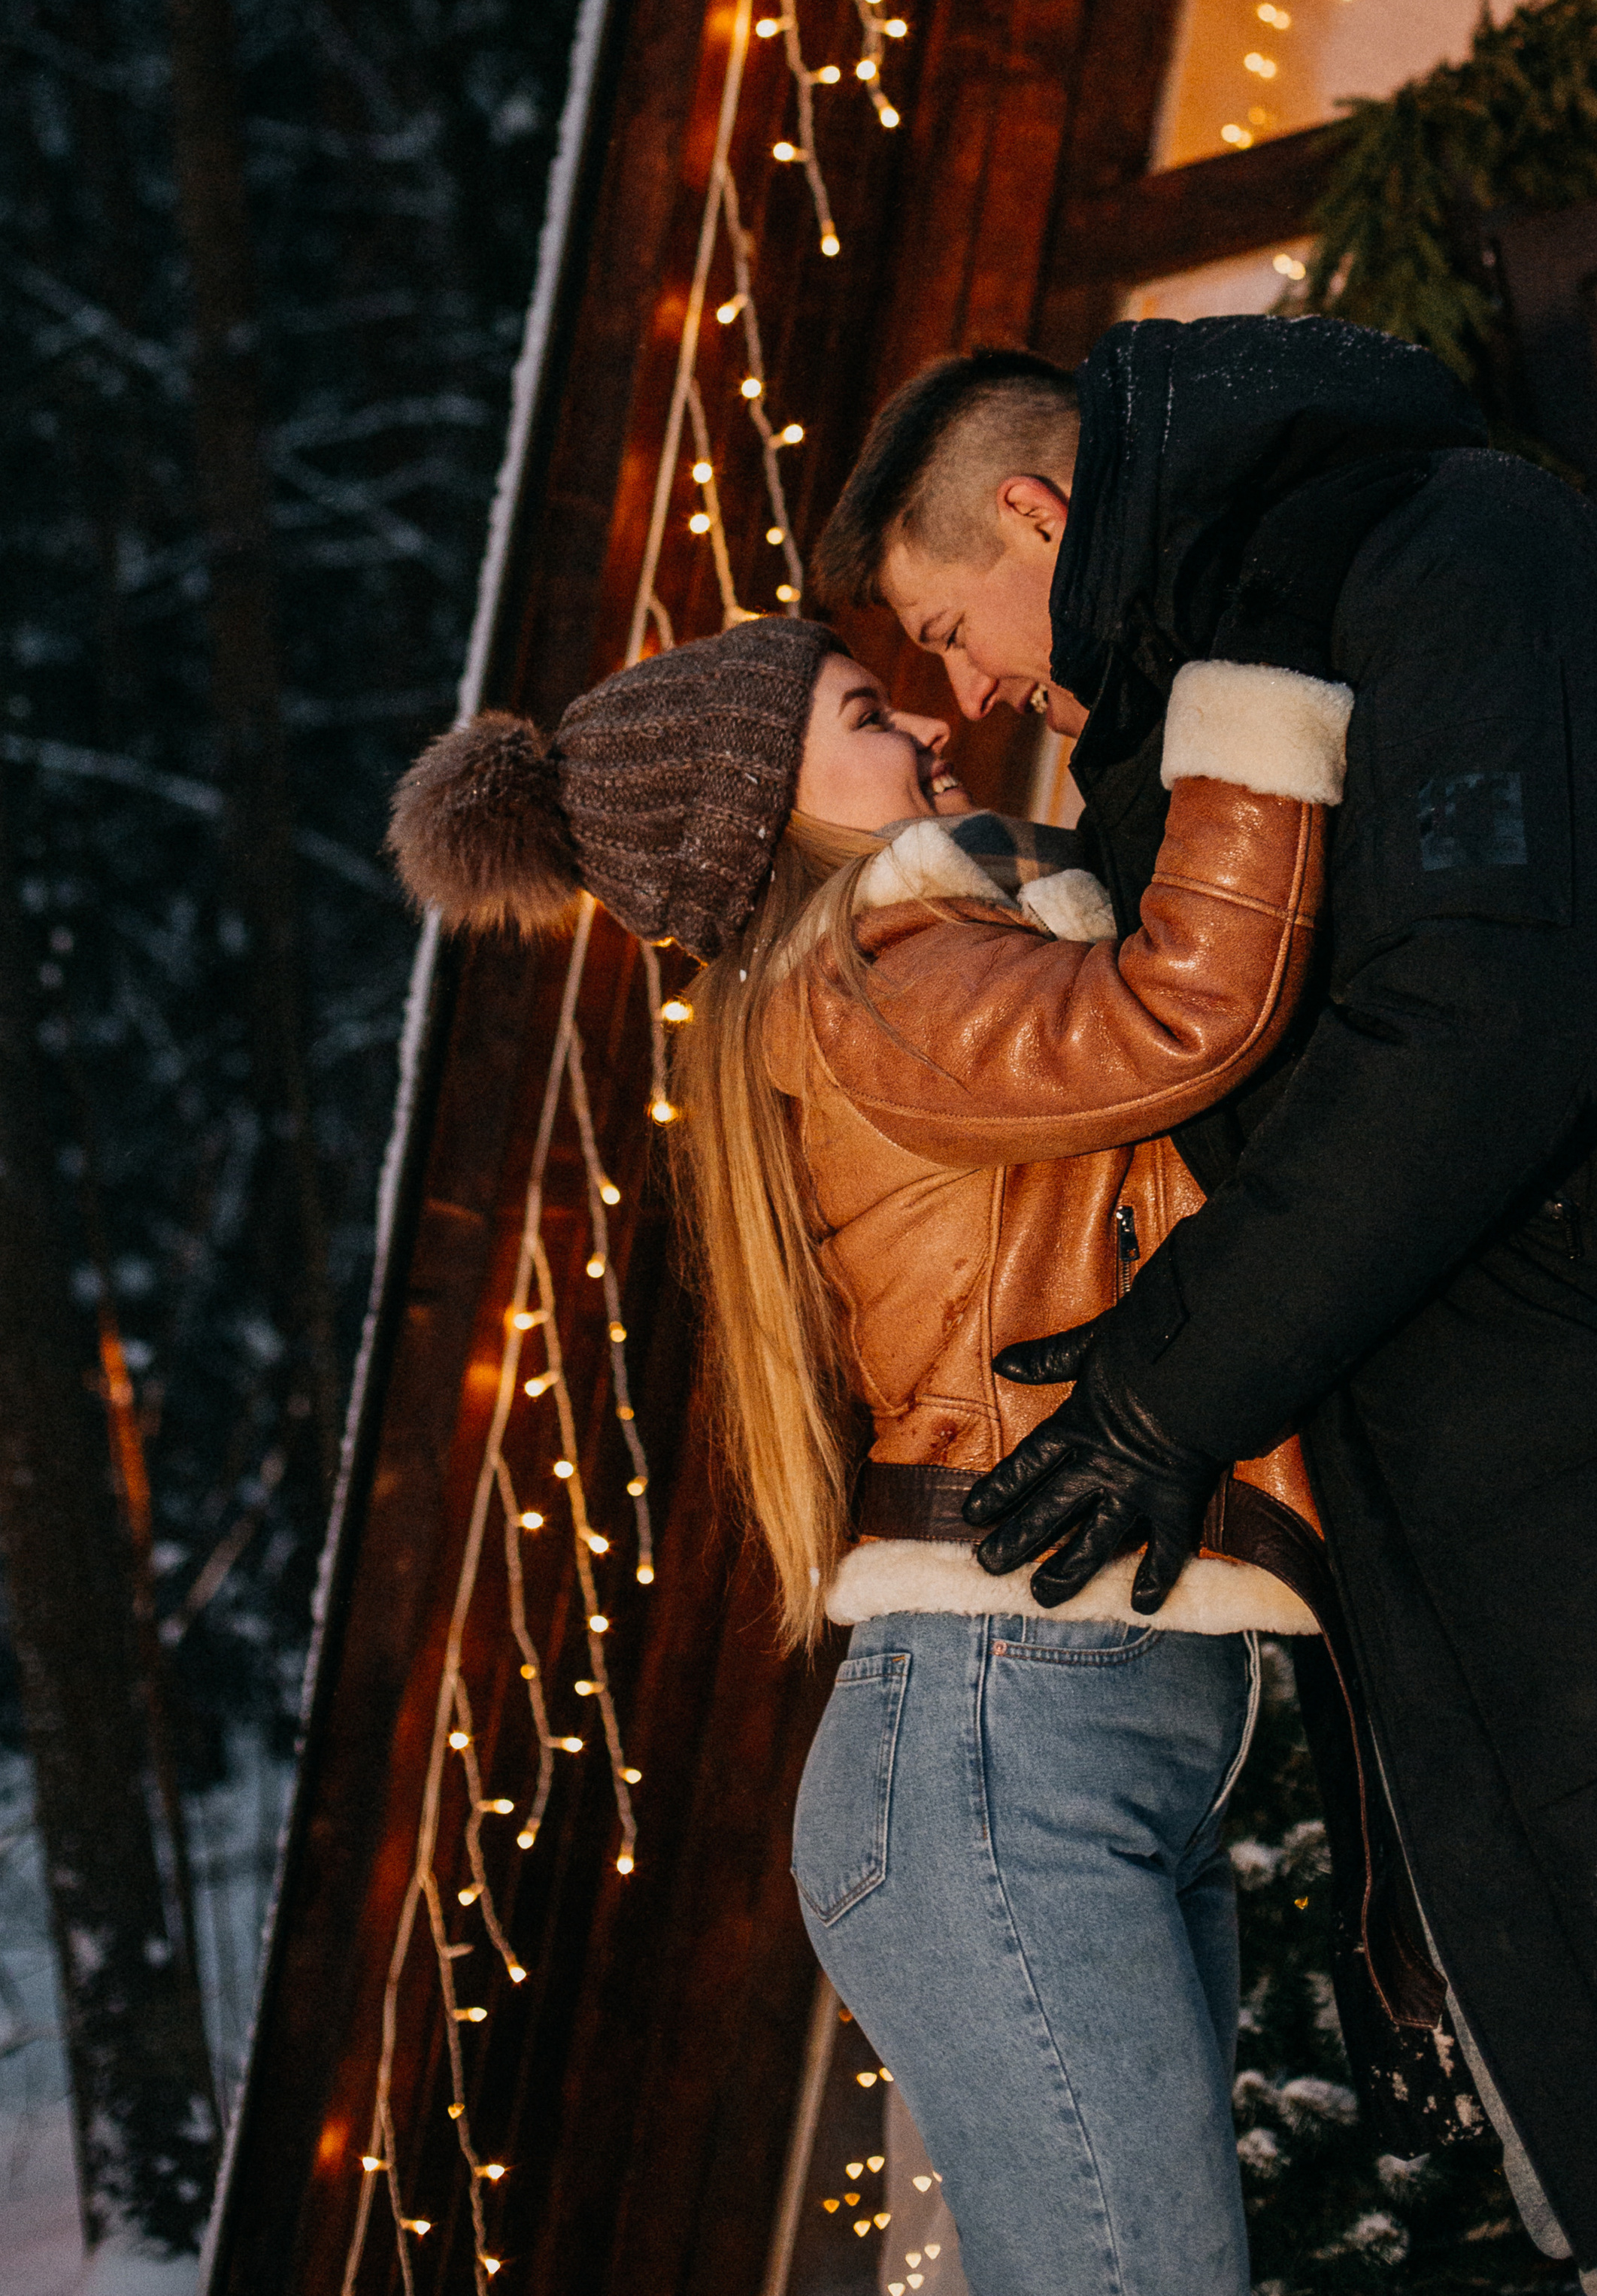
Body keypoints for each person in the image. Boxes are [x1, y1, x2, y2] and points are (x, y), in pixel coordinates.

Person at [811, 318, 1597, 2291]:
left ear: (1039, 507)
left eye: (949, 629)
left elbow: (1477, 1028)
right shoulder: (1212, 732)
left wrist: (1165, 1390)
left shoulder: (1451, 559)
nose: (968, 695)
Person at [388, 614, 1366, 2296]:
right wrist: (1250, 730)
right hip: (1006, 1745)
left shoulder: (930, 952)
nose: (916, 716)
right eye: (857, 709)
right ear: (770, 811)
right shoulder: (875, 982)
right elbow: (1180, 1015)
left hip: (1054, 1736)